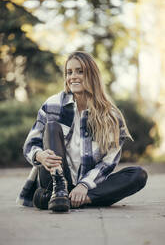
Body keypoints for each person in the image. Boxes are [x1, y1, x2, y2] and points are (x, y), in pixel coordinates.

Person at [16, 51, 148, 212]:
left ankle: (67, 200)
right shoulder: (53, 104)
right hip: (52, 177)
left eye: (80, 71)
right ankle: (59, 192)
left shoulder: (111, 116)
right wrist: (39, 155)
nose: (73, 77)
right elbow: (30, 144)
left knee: (138, 175)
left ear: (92, 75)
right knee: (52, 126)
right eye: (69, 72)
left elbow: (108, 162)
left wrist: (84, 185)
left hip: (88, 185)